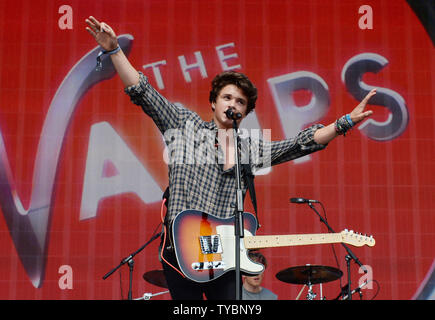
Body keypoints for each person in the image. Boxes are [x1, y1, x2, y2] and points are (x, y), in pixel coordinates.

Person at [85, 16, 376, 300]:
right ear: (213, 102)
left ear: (246, 111)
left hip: (224, 260)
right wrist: (114, 49)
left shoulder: (248, 149)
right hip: (182, 252)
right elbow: (144, 92)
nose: (232, 104)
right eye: (227, 98)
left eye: (240, 101)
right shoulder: (185, 125)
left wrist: (344, 123)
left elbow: (299, 144)